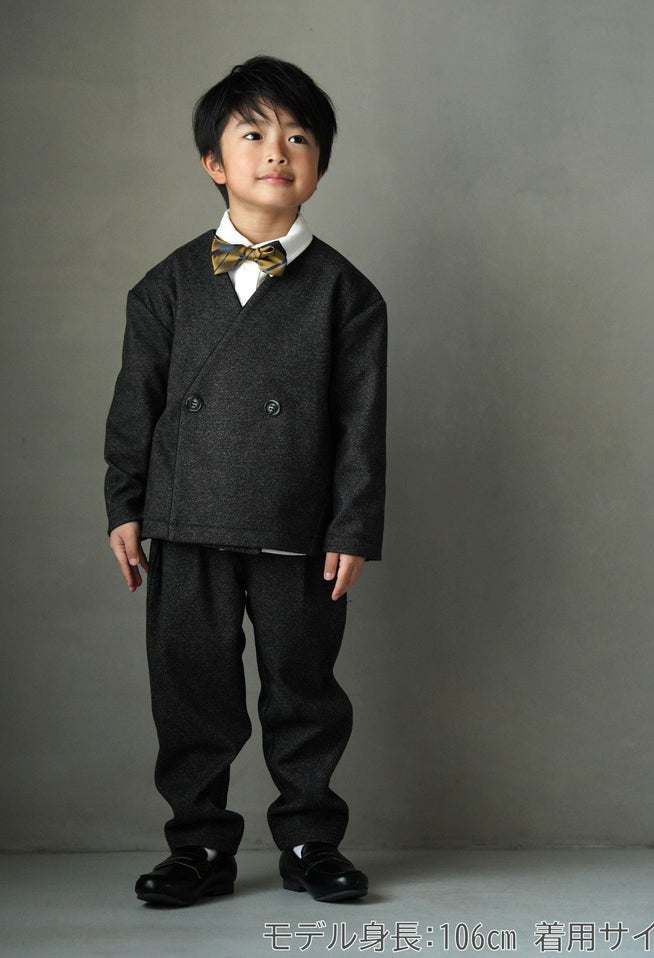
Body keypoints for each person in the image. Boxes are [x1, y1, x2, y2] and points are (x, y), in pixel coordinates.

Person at [104, 55, 387, 907]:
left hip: (297, 522)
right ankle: (198, 844)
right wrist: (124, 505)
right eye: (254, 134)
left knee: (304, 687)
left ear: (319, 166)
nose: (277, 152)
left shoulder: (348, 294)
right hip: (185, 516)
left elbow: (360, 425)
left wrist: (352, 527)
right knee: (191, 684)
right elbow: (136, 402)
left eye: (298, 138)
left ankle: (309, 839)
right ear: (214, 162)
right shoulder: (166, 285)